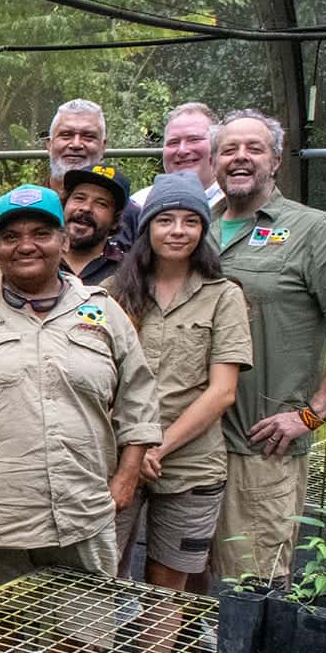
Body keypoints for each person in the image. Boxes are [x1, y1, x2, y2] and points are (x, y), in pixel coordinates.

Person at [0, 186, 161, 600]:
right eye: (11, 237)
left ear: (63, 239)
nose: (26, 246)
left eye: (41, 233)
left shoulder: (103, 308)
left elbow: (139, 396)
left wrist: (127, 477)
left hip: (80, 512)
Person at [207, 109, 326, 583]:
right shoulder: (195, 226)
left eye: (254, 148)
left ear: (276, 159)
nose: (240, 158)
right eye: (229, 149)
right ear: (214, 161)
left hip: (259, 448)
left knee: (253, 584)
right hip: (190, 443)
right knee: (183, 581)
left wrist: (312, 412)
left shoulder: (313, 230)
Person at [108, 173, 253, 592]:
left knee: (168, 585)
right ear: (146, 226)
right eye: (165, 219)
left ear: (204, 230)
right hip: (117, 461)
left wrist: (156, 447)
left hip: (191, 465)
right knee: (101, 574)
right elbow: (98, 380)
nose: (177, 231)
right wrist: (131, 451)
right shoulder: (113, 294)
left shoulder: (223, 296)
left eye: (190, 221)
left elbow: (222, 391)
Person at [119, 102, 221, 246]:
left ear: (217, 145)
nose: (182, 150)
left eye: (194, 140)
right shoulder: (139, 204)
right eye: (173, 142)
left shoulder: (233, 204)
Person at [60, 164, 130, 285]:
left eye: (101, 204)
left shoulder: (129, 270)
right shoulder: (38, 259)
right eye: (79, 198)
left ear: (115, 221)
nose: (86, 208)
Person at [44, 99, 109, 185]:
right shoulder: (25, 197)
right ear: (49, 145)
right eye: (66, 135)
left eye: (88, 136)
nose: (76, 144)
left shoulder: (119, 198)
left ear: (103, 147)